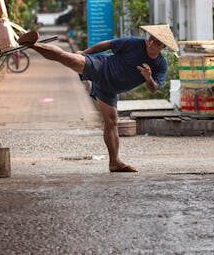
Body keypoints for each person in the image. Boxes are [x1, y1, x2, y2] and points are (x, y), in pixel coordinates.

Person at [18, 25, 179, 173]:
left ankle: (114, 162)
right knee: (67, 58)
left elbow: (154, 89)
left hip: (109, 89)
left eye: (157, 42)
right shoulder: (133, 43)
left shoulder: (160, 65)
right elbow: (107, 44)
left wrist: (148, 77)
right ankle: (33, 44)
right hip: (101, 67)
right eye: (150, 38)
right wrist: (86, 53)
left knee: (112, 121)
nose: (151, 43)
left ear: (163, 47)